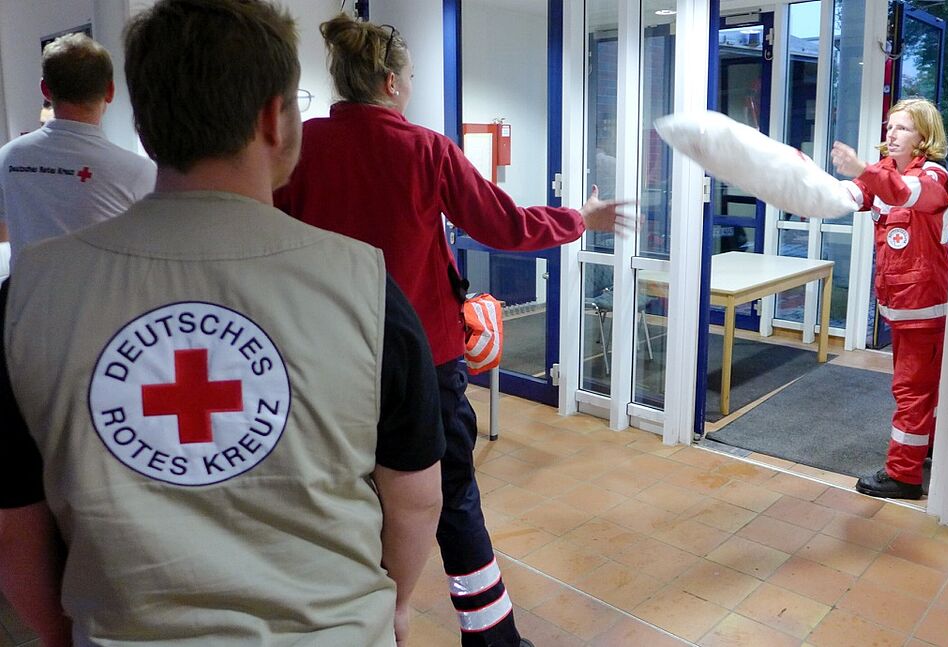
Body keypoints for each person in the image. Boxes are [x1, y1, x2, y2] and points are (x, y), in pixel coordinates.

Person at [0, 1, 445, 645]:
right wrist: (395, 606)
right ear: (273, 119)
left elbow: (15, 528)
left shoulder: (26, 299)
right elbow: (416, 497)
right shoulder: (368, 288)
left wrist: (59, 634)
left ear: (145, 122)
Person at [274, 14, 630, 647]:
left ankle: (353, 626)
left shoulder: (297, 148)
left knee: (341, 498)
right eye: (410, 76)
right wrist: (580, 219)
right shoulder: (425, 150)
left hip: (325, 361)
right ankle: (490, 639)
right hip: (423, 363)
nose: (411, 87)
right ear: (391, 82)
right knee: (453, 496)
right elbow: (505, 225)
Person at [831, 98, 948, 500]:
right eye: (890, 126)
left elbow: (904, 192)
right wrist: (795, 180)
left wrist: (862, 169)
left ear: (924, 136)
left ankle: (903, 475)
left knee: (911, 391)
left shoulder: (933, 177)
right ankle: (926, 446)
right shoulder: (885, 173)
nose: (892, 133)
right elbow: (846, 196)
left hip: (925, 309)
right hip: (900, 308)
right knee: (921, 387)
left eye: (902, 127)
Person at [0, 32, 155, 268]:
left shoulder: (8, 158)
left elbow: (3, 235)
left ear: (45, 90)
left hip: (27, 291)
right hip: (103, 291)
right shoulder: (138, 172)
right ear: (110, 91)